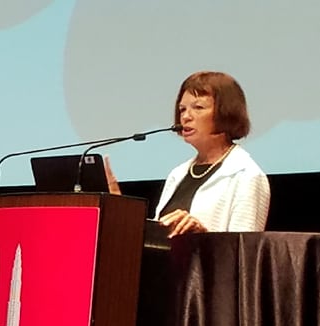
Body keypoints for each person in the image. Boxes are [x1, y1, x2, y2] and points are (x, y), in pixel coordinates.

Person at [108, 71, 270, 236]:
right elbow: (155, 240)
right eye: (182, 109)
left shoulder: (246, 175)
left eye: (198, 107)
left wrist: (202, 233)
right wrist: (120, 207)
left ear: (226, 112)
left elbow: (245, 253)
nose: (185, 116)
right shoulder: (178, 174)